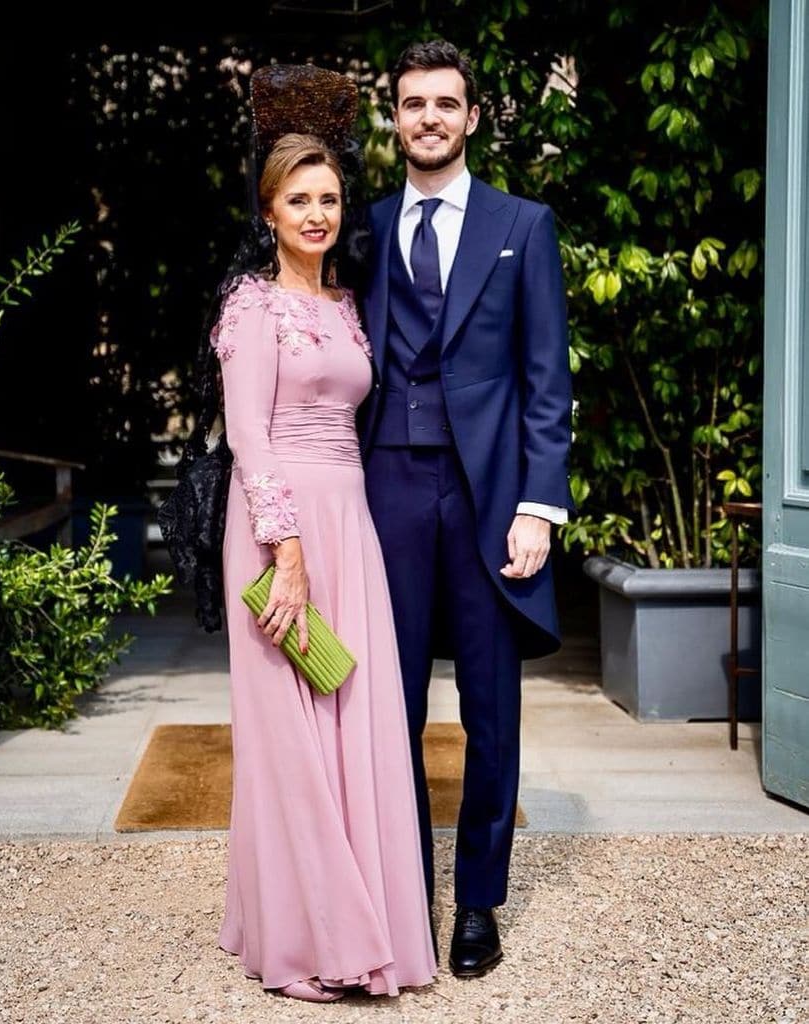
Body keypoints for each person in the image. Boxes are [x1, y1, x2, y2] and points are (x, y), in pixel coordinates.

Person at [210, 66, 436, 1003]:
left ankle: (366, 917)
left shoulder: (346, 305)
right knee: (291, 734)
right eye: (298, 200)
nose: (316, 214)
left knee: (357, 713)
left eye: (330, 198)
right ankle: (308, 941)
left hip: (352, 522)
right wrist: (285, 549)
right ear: (268, 211)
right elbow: (247, 435)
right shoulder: (250, 307)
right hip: (280, 529)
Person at [359, 40, 574, 978]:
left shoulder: (521, 226)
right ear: (394, 118)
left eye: (446, 103)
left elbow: (544, 380)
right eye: (413, 104)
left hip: (489, 494)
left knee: (489, 710)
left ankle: (476, 903)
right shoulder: (361, 227)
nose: (430, 118)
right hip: (386, 490)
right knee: (388, 706)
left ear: (472, 117)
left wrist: (538, 505)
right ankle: (408, 890)